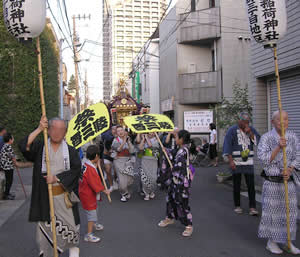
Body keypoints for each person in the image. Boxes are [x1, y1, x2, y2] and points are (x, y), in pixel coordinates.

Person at [18, 116, 81, 257]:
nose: (57, 132)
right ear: (49, 129)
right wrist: (39, 129)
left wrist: (57, 178)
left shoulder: (70, 151)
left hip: (63, 198)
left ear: (65, 132)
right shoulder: (41, 147)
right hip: (44, 198)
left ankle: (73, 251)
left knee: (70, 229)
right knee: (45, 236)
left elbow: (76, 169)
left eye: (61, 130)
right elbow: (24, 146)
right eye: (54, 129)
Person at [257, 110, 300, 254]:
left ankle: (288, 241)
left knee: (290, 212)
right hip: (273, 182)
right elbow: (263, 158)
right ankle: (272, 241)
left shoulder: (293, 137)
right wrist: (278, 148)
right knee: (273, 213)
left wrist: (290, 168)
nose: (283, 122)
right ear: (273, 122)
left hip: (288, 181)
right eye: (279, 120)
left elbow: (297, 155)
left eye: (286, 119)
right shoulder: (266, 138)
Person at [223, 112, 260, 216]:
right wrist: (230, 161)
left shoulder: (251, 129)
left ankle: (252, 207)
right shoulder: (232, 130)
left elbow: (258, 142)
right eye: (244, 121)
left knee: (251, 185)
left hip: (249, 161)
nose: (245, 124)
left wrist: (250, 133)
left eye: (247, 122)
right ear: (239, 121)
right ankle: (237, 205)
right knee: (237, 184)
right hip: (236, 161)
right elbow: (228, 145)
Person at [158, 130, 193, 237]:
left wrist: (172, 168)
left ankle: (189, 225)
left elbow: (179, 165)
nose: (175, 139)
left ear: (181, 139)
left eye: (177, 137)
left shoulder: (184, 150)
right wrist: (167, 151)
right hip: (175, 179)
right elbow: (173, 153)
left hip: (182, 181)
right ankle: (169, 217)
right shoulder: (180, 149)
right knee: (170, 198)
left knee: (182, 202)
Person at [79, 145, 110, 243]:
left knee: (95, 209)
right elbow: (94, 184)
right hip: (88, 194)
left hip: (85, 192)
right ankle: (89, 234)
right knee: (91, 213)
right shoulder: (91, 169)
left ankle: (95, 223)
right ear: (96, 156)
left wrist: (97, 165)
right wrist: (105, 190)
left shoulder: (86, 164)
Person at [111, 126, 135, 202]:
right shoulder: (115, 140)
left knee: (129, 179)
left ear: (124, 131)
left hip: (128, 161)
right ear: (116, 133)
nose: (120, 132)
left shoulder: (128, 139)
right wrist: (124, 141)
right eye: (118, 131)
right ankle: (123, 194)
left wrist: (128, 142)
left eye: (122, 130)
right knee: (122, 180)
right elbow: (118, 150)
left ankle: (126, 191)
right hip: (119, 161)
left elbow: (132, 151)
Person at [138, 133, 159, 201]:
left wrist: (146, 138)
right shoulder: (143, 140)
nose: (151, 133)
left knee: (153, 178)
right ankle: (146, 193)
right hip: (145, 160)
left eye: (152, 132)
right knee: (145, 178)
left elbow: (150, 146)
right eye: (149, 132)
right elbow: (140, 148)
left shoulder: (157, 140)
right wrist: (143, 139)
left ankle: (152, 191)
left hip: (153, 161)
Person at [0, 133, 17, 200]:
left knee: (8, 180)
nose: (13, 139)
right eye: (12, 138)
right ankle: (6, 195)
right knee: (9, 180)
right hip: (8, 166)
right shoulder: (8, 146)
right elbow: (12, 157)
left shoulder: (5, 145)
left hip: (5, 165)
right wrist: (15, 163)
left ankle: (7, 193)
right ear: (10, 140)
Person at [102, 126, 118, 191]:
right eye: (114, 129)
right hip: (107, 156)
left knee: (116, 172)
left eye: (117, 129)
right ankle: (111, 186)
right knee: (108, 171)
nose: (115, 131)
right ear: (111, 130)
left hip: (116, 156)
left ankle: (114, 180)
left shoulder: (120, 137)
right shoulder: (107, 136)